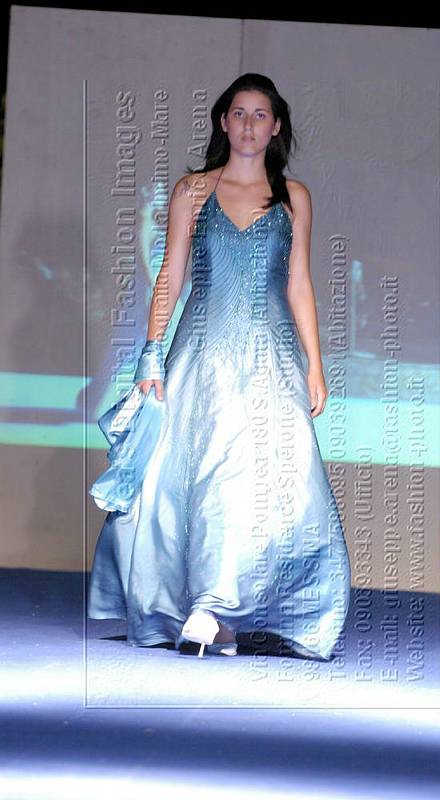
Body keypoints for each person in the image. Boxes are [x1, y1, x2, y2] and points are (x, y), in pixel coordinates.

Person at [88, 73, 351, 661]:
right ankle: (212, 614)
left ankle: (218, 608)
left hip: (270, 362)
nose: (249, 124)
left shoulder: (293, 197)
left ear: (276, 126)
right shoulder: (192, 191)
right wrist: (151, 353)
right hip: (200, 357)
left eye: (260, 114)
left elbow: (299, 284)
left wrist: (315, 365)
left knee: (260, 480)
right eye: (239, 113)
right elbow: (171, 275)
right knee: (188, 479)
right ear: (223, 122)